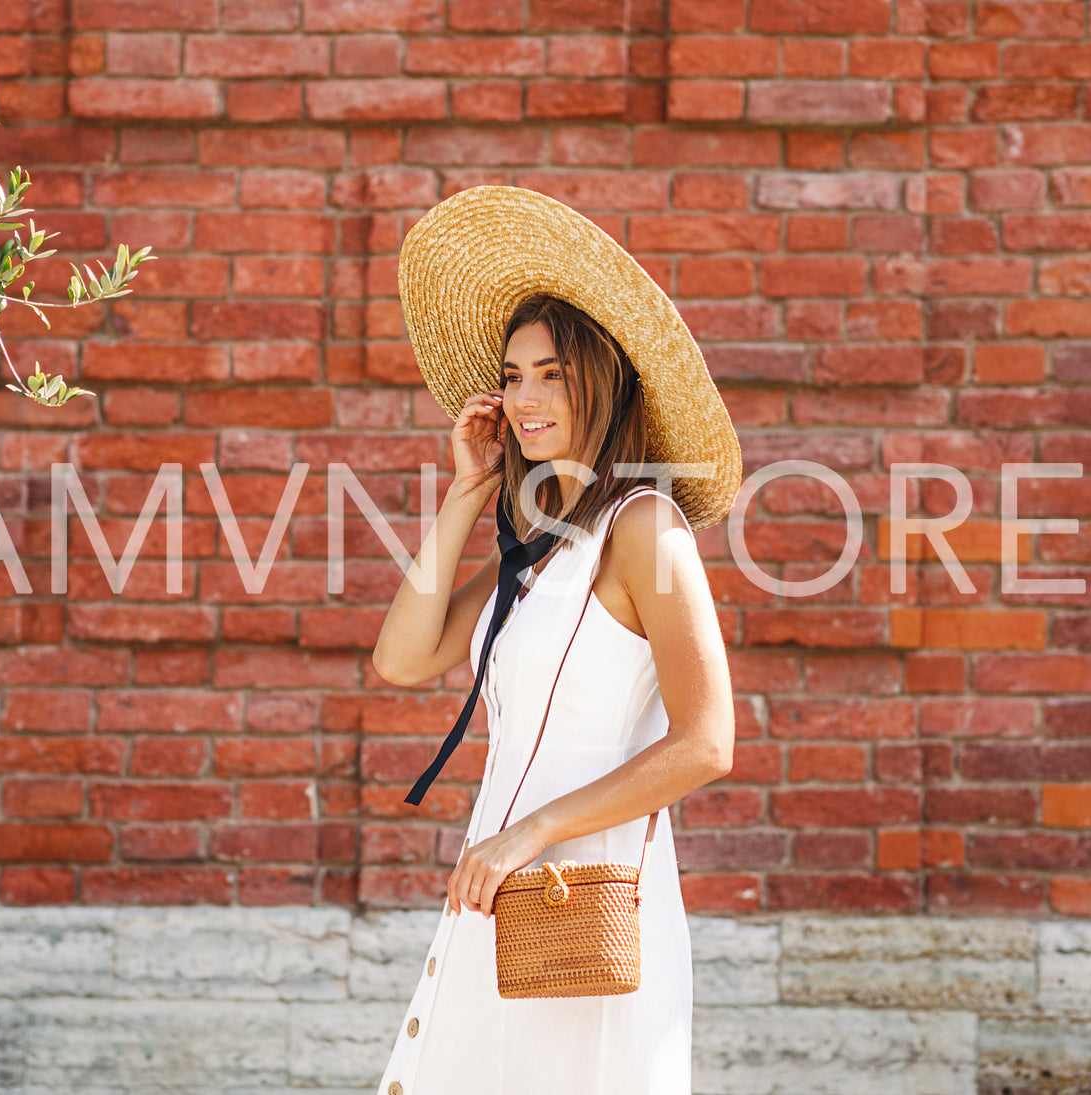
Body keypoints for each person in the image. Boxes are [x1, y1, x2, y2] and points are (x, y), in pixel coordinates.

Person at [371, 185, 741, 1095]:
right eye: (513, 374)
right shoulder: (536, 551)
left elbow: (707, 742)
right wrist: (466, 491)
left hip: (583, 903)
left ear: (604, 382)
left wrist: (530, 831)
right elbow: (402, 658)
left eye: (553, 375)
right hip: (499, 888)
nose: (525, 398)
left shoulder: (643, 526)